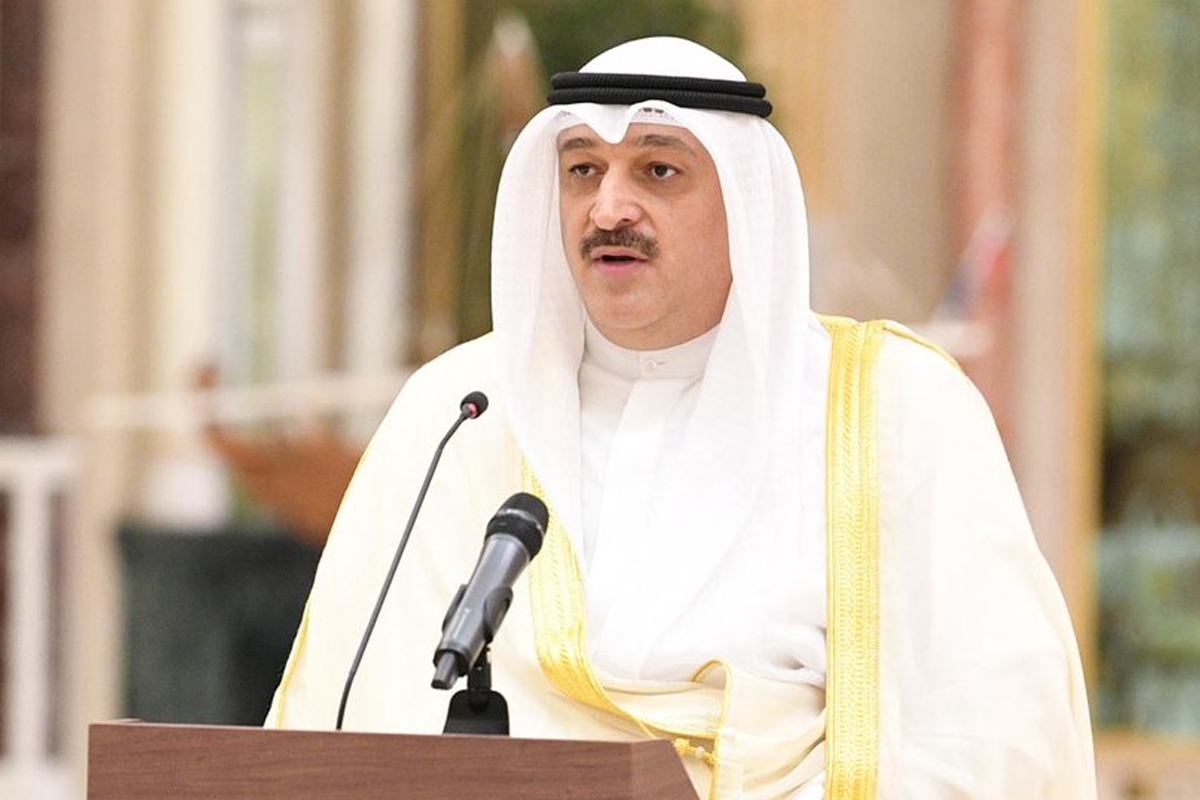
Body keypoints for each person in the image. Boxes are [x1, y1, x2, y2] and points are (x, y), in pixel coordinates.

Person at [266, 36, 1096, 799]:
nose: (608, 209)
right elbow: (352, 712)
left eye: (658, 171)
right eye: (582, 170)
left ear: (746, 204)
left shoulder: (893, 407)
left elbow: (995, 736)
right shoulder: (462, 408)